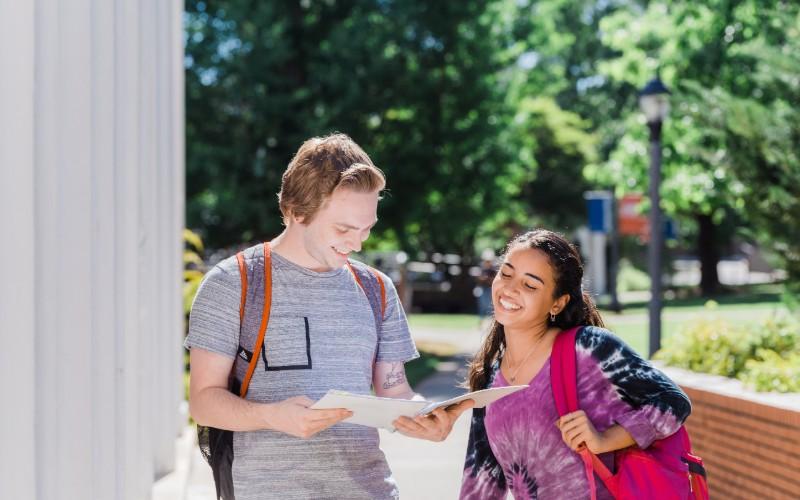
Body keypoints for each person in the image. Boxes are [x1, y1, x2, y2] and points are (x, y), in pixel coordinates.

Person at [185, 133, 472, 500]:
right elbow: (203, 402)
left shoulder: (376, 289)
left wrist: (425, 418)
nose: (358, 244)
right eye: (344, 229)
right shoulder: (234, 283)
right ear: (295, 211)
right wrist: (272, 416)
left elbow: (395, 391)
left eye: (367, 228)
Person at [457, 229, 691, 499]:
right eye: (506, 274)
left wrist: (606, 439)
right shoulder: (489, 379)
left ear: (557, 303)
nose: (510, 288)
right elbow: (482, 481)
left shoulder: (587, 348)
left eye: (530, 285)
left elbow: (673, 402)